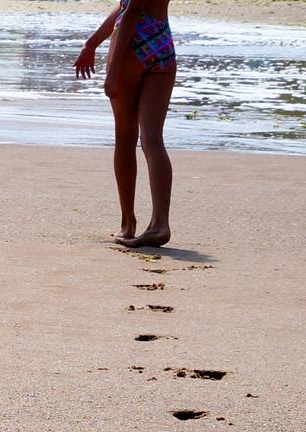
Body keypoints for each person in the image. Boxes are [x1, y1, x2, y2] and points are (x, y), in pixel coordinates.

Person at [74, 0, 175, 247]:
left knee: (125, 138)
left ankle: (128, 224)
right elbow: (125, 6)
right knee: (152, 139)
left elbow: (130, 13)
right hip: (162, 41)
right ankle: (160, 223)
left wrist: (112, 70)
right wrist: (91, 43)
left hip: (131, 46)